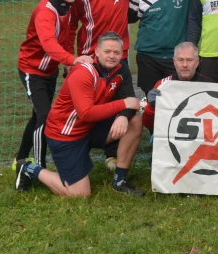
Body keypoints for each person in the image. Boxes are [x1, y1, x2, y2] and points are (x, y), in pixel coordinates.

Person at [72, 0, 195, 167]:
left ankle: (119, 151)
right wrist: (70, 60)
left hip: (119, 57)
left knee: (120, 102)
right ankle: (77, 150)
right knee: (87, 106)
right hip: (89, 57)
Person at [15, 32, 144, 197]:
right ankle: (27, 168)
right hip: (66, 134)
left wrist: (123, 116)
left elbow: (129, 98)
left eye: (116, 52)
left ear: (122, 53)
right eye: (107, 51)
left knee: (134, 121)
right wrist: (123, 105)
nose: (112, 56)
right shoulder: (83, 72)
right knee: (80, 194)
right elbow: (86, 113)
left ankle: (120, 181)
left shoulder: (121, 69)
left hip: (90, 127)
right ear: (97, 52)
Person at [14, 0, 93, 178]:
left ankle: (19, 158)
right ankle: (39, 168)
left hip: (50, 70)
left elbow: (68, 32)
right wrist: (73, 59)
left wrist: (67, 60)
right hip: (32, 70)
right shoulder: (45, 11)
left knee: (38, 116)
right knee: (45, 116)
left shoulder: (70, 4)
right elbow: (48, 44)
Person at [129, 0, 196, 95]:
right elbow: (129, 18)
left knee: (177, 101)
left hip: (176, 58)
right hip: (148, 58)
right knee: (152, 102)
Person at [141, 42, 214, 134]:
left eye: (189, 60)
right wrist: (151, 107)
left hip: (201, 138)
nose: (184, 64)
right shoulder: (162, 85)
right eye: (180, 60)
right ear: (174, 62)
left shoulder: (210, 86)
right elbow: (148, 125)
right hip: (171, 138)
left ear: (197, 62)